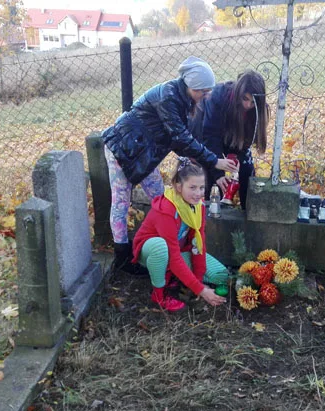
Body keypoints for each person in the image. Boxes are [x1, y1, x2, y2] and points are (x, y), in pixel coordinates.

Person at [102, 56, 238, 274]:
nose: (206, 95)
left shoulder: (185, 99)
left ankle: (160, 248)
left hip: (145, 152)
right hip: (123, 147)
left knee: (161, 199)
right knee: (121, 202)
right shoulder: (168, 96)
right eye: (202, 90)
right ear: (189, 85)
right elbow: (180, 136)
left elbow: (177, 139)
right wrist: (214, 160)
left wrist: (193, 158)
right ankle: (123, 258)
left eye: (208, 90)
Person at [131, 158, 229, 312]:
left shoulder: (199, 206)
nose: (198, 193)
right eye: (192, 187)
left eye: (202, 187)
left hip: (177, 253)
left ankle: (175, 278)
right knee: (160, 247)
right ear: (178, 187)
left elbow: (199, 245)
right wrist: (202, 290)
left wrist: (197, 282)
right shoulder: (167, 209)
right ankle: (159, 295)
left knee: (221, 275)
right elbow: (173, 255)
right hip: (154, 253)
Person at [191, 69, 269, 209]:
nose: (247, 105)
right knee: (215, 179)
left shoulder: (258, 109)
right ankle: (214, 216)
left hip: (234, 138)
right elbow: (210, 136)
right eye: (245, 99)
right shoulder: (218, 97)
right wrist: (218, 173)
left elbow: (246, 141)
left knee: (246, 170)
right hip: (206, 134)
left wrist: (236, 160)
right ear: (238, 93)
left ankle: (248, 213)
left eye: (253, 102)